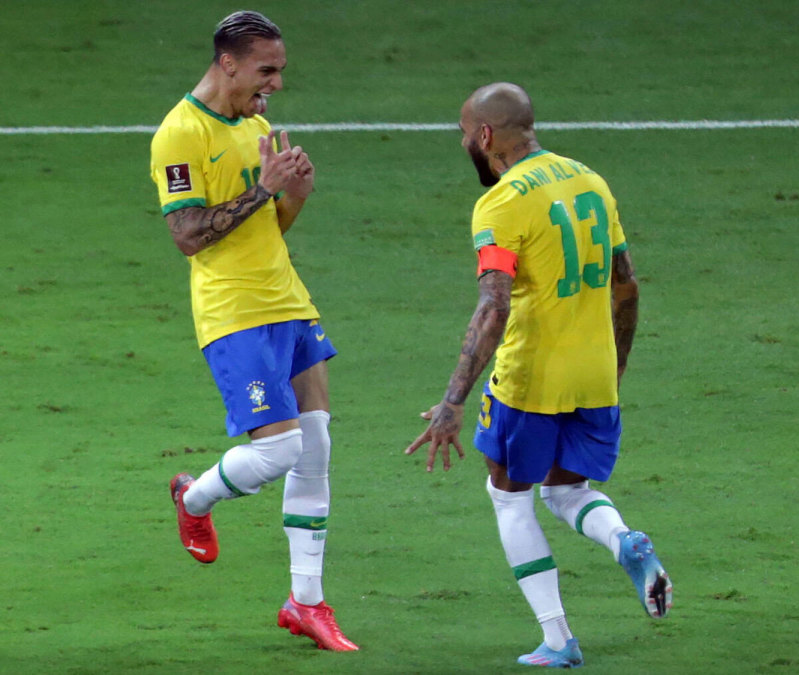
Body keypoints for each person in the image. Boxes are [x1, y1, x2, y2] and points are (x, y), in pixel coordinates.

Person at [405, 82, 672, 669]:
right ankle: (625, 541)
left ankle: (558, 638)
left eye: (462, 135)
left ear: (484, 136)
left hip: (529, 379)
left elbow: (494, 305)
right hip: (595, 373)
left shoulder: (500, 204)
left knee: (509, 498)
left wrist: (453, 401)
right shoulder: (590, 179)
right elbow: (626, 282)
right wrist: (616, 364)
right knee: (568, 490)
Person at [149, 10, 356, 652]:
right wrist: (263, 191)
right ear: (227, 63)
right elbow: (188, 237)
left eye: (281, 71)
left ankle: (307, 603)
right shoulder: (179, 135)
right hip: (234, 315)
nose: (275, 86)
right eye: (266, 71)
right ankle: (196, 497)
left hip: (289, 303)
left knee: (315, 446)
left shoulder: (257, 127)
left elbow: (265, 229)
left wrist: (294, 196)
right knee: (279, 452)